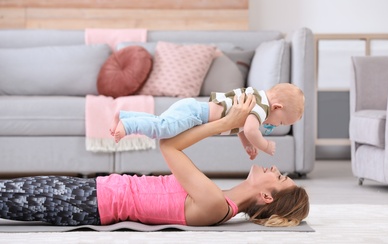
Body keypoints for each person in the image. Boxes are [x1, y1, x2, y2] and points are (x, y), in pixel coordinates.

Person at [0, 95, 309, 227]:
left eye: (280, 178)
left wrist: (227, 121)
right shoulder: (218, 199)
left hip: (89, 202)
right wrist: (236, 124)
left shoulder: (216, 205)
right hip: (93, 193)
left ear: (266, 197)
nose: (275, 169)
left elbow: (170, 147)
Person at [111, 83, 305, 159]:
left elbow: (242, 128)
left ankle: (125, 116)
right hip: (195, 114)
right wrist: (265, 145)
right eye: (280, 122)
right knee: (163, 130)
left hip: (193, 108)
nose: (275, 125)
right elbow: (251, 130)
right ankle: (129, 126)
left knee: (160, 122)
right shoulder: (262, 108)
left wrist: (246, 145)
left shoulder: (257, 98)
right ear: (277, 107)